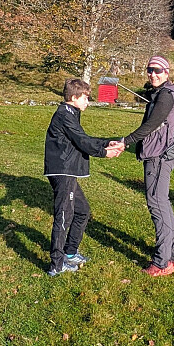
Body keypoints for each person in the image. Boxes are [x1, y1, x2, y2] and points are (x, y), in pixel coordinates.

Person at [44, 78, 123, 276]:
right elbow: (82, 141)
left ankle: (70, 252)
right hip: (62, 172)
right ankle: (56, 264)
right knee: (64, 215)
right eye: (85, 98)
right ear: (73, 97)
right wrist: (105, 153)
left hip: (68, 171)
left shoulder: (72, 114)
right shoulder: (64, 114)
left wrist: (107, 142)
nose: (88, 102)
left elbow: (82, 138)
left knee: (82, 211)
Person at [121, 55, 174, 277]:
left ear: (167, 73)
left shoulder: (166, 96)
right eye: (150, 70)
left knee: (157, 205)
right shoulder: (162, 94)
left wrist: (124, 142)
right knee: (162, 204)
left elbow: (151, 125)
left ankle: (162, 262)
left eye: (158, 70)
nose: (153, 74)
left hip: (158, 157)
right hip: (161, 155)